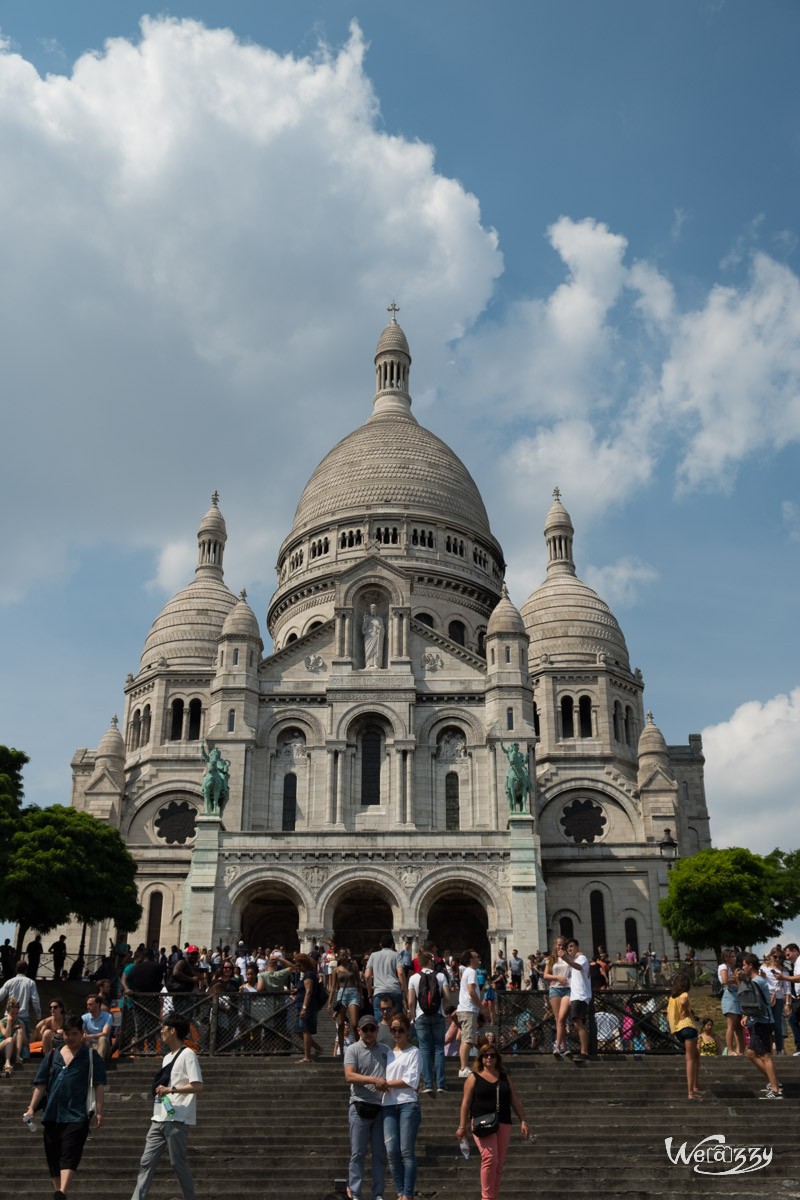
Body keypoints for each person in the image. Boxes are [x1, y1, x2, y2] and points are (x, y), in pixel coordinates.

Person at [24, 1012, 106, 1199]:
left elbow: (99, 1085)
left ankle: (62, 1191)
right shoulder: (53, 1055)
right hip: (52, 1113)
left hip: (77, 1114)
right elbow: (41, 1083)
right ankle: (59, 1193)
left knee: (70, 1152)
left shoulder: (91, 1056)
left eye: (75, 1034)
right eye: (67, 1034)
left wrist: (99, 1111)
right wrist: (31, 1108)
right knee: (53, 1156)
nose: (70, 1038)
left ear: (82, 1033)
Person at [130, 1013, 203, 1200]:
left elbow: (198, 1086)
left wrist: (171, 1089)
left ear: (173, 1030)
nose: (161, 1031)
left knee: (177, 1162)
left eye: (164, 1028)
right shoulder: (167, 1057)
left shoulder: (188, 1054)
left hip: (178, 1117)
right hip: (159, 1116)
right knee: (146, 1161)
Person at [456, 1043, 529, 1200]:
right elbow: (466, 1103)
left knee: (499, 1163)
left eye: (492, 1055)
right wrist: (462, 1126)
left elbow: (515, 1100)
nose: (489, 1058)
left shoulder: (504, 1077)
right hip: (482, 1121)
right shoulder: (473, 1077)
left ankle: (492, 1197)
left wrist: (523, 1120)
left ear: (497, 1058)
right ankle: (487, 1197)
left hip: (503, 1121)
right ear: (481, 1058)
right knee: (490, 1158)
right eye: (485, 1055)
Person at [344, 1014, 390, 1200]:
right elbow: (349, 1076)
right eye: (365, 1029)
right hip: (359, 1106)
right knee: (357, 1154)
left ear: (377, 1030)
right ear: (359, 1031)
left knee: (380, 1155)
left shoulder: (386, 1050)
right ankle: (355, 1193)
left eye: (372, 1029)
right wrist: (374, 1080)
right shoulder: (353, 1050)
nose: (369, 1032)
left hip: (381, 1108)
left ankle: (377, 1194)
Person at [382, 1013, 422, 1200]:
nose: (396, 1033)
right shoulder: (388, 1053)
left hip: (408, 1104)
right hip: (388, 1105)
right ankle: (400, 1192)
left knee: (406, 1151)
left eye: (400, 1030)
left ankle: (407, 1194)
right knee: (391, 1152)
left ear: (408, 1032)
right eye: (393, 1029)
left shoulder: (414, 1052)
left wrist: (387, 1084)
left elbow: (411, 1081)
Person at [738, 953, 782, 1100]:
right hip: (760, 1021)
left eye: (744, 964)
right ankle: (774, 1082)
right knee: (751, 1053)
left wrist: (747, 1015)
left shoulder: (756, 981)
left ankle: (776, 1089)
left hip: (763, 1021)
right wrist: (746, 1016)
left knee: (765, 1055)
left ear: (750, 965)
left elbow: (756, 1004)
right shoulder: (757, 980)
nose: (743, 967)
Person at [407, 950, 450, 1095]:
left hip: (421, 1016)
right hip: (437, 1015)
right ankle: (441, 1084)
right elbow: (448, 997)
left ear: (419, 963)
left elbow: (411, 1001)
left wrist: (412, 1015)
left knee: (424, 1049)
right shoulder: (440, 976)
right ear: (431, 962)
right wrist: (442, 1010)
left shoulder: (413, 978)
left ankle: (427, 1084)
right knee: (438, 1049)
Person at [667, 972, 701, 1099]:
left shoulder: (671, 998)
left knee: (696, 1055)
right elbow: (683, 1001)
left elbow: (669, 1015)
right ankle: (691, 1091)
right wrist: (686, 1009)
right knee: (690, 1059)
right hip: (688, 1027)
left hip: (678, 1030)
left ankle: (696, 1084)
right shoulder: (683, 994)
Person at [560, 938, 591, 1060]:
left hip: (581, 995)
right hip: (575, 995)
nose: (570, 949)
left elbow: (578, 967)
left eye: (572, 946)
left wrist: (566, 959)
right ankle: (583, 1050)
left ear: (578, 947)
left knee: (579, 1023)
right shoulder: (575, 959)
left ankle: (584, 1052)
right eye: (568, 948)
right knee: (577, 1023)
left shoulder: (581, 959)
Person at [366, 934, 407, 1023]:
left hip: (379, 991)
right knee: (397, 1021)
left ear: (380, 944)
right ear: (392, 945)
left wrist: (369, 994)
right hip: (394, 990)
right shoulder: (396, 955)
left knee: (380, 1022)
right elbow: (400, 973)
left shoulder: (373, 955)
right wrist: (405, 991)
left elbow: (367, 976)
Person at [330, 950, 364, 1056]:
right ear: (338, 957)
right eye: (342, 955)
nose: (344, 957)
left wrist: (361, 997)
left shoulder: (354, 967)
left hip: (353, 993)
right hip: (342, 994)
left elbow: (358, 983)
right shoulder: (336, 970)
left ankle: (358, 1048)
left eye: (346, 955)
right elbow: (333, 986)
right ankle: (341, 1050)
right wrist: (329, 1002)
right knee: (340, 1024)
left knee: (354, 1024)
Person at [0, 959, 41, 1045]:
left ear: (16, 969)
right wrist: (38, 1016)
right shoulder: (31, 983)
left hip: (9, 1016)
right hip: (23, 1015)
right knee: (24, 1044)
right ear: (26, 970)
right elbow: (35, 1000)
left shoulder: (9, 982)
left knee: (7, 1041)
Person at [542, 938, 570, 1059]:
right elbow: (545, 975)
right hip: (555, 989)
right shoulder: (551, 959)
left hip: (568, 989)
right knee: (559, 1019)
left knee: (562, 1018)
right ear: (555, 945)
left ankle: (557, 1047)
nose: (560, 947)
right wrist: (557, 977)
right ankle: (565, 1048)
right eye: (559, 945)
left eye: (563, 945)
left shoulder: (569, 958)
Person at [456, 949, 482, 1078]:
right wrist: (481, 1006)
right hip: (469, 1009)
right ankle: (463, 1067)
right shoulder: (471, 972)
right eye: (477, 957)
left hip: (465, 1009)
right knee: (467, 1040)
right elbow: (472, 991)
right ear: (471, 960)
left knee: (465, 1039)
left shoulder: (466, 972)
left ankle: (463, 1066)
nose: (479, 960)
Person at [295, 952, 324, 1063]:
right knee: (298, 1030)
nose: (297, 968)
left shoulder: (309, 975)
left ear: (305, 964)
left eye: (299, 965)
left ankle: (307, 1057)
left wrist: (304, 1008)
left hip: (308, 1006)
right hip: (302, 1005)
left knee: (305, 1029)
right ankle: (317, 1048)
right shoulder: (307, 975)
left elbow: (309, 992)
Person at [761, 949, 790, 1055]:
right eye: (775, 957)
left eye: (780, 957)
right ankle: (766, 1049)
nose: (777, 959)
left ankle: (779, 1050)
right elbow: (759, 982)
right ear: (771, 956)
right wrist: (762, 976)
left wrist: (787, 1003)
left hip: (778, 998)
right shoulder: (764, 967)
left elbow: (787, 989)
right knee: (765, 1024)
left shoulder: (784, 970)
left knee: (777, 1025)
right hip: (765, 998)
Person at [718, 949, 744, 1055]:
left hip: (736, 996)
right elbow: (725, 981)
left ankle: (739, 1050)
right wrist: (736, 979)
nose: (734, 958)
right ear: (726, 958)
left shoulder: (731, 969)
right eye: (732, 956)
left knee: (738, 1026)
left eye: (735, 956)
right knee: (731, 1025)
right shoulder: (723, 967)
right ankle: (730, 1050)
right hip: (729, 996)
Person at [81, 994, 112, 1061]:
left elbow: (105, 1033)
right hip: (90, 1045)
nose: (88, 1007)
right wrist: (83, 1036)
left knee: (103, 1038)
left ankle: (98, 1062)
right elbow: (80, 1031)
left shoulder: (108, 1016)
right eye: (87, 1004)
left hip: (103, 1047)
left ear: (98, 1004)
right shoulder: (84, 1017)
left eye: (90, 1004)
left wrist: (90, 1036)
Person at [1, 998, 27, 1074]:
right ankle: (7, 1062)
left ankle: (17, 1057)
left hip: (14, 1049)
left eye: (16, 1013)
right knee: (9, 1039)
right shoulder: (2, 1022)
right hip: (3, 1047)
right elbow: (7, 1036)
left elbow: (25, 1043)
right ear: (8, 1012)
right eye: (12, 1013)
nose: (15, 1016)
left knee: (20, 1031)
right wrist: (9, 1023)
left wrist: (21, 1030)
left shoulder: (20, 1022)